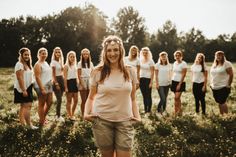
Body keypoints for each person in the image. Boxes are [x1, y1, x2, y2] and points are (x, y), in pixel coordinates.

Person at [84, 35, 141, 157]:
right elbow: (90, 97)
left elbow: (133, 98)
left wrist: (138, 116)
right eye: (109, 50)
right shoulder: (97, 71)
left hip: (125, 121)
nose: (112, 53)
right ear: (105, 52)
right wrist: (86, 113)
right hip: (102, 121)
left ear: (121, 51)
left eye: (115, 50)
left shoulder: (130, 71)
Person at [14, 48, 38, 129]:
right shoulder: (19, 64)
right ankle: (29, 125)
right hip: (22, 88)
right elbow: (19, 78)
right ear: (21, 55)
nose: (27, 56)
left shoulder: (27, 65)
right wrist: (24, 90)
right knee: (27, 106)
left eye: (28, 54)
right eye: (25, 54)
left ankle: (22, 124)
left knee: (23, 106)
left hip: (28, 87)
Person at [210, 51, 233, 115]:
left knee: (222, 102)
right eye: (217, 55)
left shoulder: (227, 64)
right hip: (214, 86)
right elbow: (212, 75)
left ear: (223, 56)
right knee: (219, 102)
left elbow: (231, 75)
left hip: (223, 86)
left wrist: (228, 85)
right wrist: (211, 84)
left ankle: (226, 116)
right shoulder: (214, 65)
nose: (218, 57)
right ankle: (221, 115)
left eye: (220, 55)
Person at [34, 47, 53, 126]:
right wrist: (42, 89)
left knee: (50, 102)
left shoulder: (45, 63)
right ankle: (41, 121)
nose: (44, 55)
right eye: (42, 53)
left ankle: (43, 117)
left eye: (45, 53)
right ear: (39, 54)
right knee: (41, 104)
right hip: (41, 85)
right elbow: (37, 77)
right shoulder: (37, 64)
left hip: (48, 84)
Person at [77, 48, 94, 117]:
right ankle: (83, 114)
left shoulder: (91, 63)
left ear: (88, 55)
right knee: (84, 100)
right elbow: (79, 75)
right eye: (84, 54)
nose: (85, 55)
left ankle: (88, 113)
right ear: (82, 55)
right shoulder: (80, 63)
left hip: (90, 81)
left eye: (86, 54)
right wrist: (82, 83)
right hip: (83, 81)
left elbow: (92, 73)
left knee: (89, 99)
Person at [155, 51, 172, 117]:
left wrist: (170, 82)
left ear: (166, 57)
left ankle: (164, 110)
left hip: (167, 84)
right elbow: (156, 76)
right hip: (160, 84)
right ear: (160, 57)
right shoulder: (157, 65)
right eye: (162, 56)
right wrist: (157, 84)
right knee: (163, 98)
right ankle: (158, 110)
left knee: (166, 98)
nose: (163, 58)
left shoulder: (169, 65)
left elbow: (170, 74)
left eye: (165, 56)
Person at [170, 50, 187, 116]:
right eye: (176, 55)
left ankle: (177, 111)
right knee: (177, 98)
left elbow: (184, 74)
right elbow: (174, 73)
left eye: (178, 55)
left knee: (176, 97)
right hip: (174, 81)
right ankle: (178, 111)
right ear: (174, 57)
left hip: (180, 82)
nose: (177, 56)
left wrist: (179, 84)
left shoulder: (184, 63)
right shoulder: (174, 63)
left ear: (181, 56)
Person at [50, 47, 65, 122]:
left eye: (59, 52)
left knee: (60, 99)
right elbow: (53, 74)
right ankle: (58, 116)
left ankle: (57, 114)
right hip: (56, 80)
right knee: (59, 99)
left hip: (61, 79)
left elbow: (62, 72)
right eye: (56, 52)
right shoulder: (53, 62)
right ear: (54, 53)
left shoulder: (60, 61)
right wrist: (56, 83)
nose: (58, 53)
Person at [139, 47, 155, 116]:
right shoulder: (140, 60)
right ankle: (145, 110)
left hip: (148, 79)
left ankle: (149, 110)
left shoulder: (151, 61)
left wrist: (151, 82)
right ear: (142, 53)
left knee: (148, 95)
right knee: (144, 95)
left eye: (146, 52)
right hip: (141, 79)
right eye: (143, 52)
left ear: (148, 53)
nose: (145, 53)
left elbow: (152, 72)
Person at [64, 51, 79, 120]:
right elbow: (65, 78)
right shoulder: (66, 66)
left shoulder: (75, 65)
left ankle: (72, 113)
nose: (72, 58)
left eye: (73, 57)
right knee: (69, 101)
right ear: (68, 57)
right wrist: (66, 87)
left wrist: (77, 83)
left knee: (76, 100)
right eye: (71, 57)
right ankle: (70, 115)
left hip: (74, 83)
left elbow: (76, 76)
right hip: (69, 83)